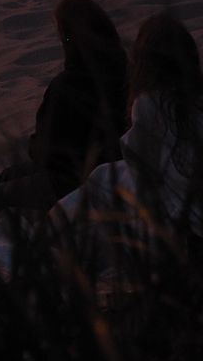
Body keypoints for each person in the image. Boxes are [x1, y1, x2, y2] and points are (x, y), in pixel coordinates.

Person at [0, 0, 127, 227]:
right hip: (97, 170)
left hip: (73, 181)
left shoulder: (67, 85)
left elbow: (46, 151)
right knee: (10, 175)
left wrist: (37, 148)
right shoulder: (123, 70)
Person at [48, 14, 203, 250]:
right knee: (103, 177)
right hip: (182, 193)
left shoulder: (150, 104)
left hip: (173, 203)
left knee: (99, 185)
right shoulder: (194, 99)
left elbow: (143, 169)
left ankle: (51, 240)